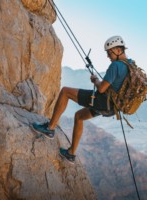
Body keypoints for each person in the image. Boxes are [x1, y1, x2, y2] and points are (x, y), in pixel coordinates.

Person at [31, 35, 131, 164]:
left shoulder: (116, 65)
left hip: (103, 101)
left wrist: (95, 81)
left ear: (118, 50)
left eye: (109, 52)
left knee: (65, 91)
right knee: (79, 116)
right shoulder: (130, 65)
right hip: (112, 108)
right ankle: (71, 154)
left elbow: (101, 89)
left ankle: (50, 128)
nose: (108, 56)